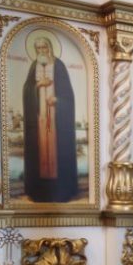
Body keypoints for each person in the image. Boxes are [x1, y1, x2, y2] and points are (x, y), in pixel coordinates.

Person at [23, 35, 78, 203]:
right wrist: (37, 85)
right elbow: (27, 90)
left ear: (50, 48)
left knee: (56, 149)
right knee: (40, 149)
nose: (42, 51)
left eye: (44, 47)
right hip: (40, 118)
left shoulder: (59, 65)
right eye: (38, 48)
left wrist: (57, 100)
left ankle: (61, 189)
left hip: (56, 119)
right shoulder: (34, 66)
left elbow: (69, 95)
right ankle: (38, 190)